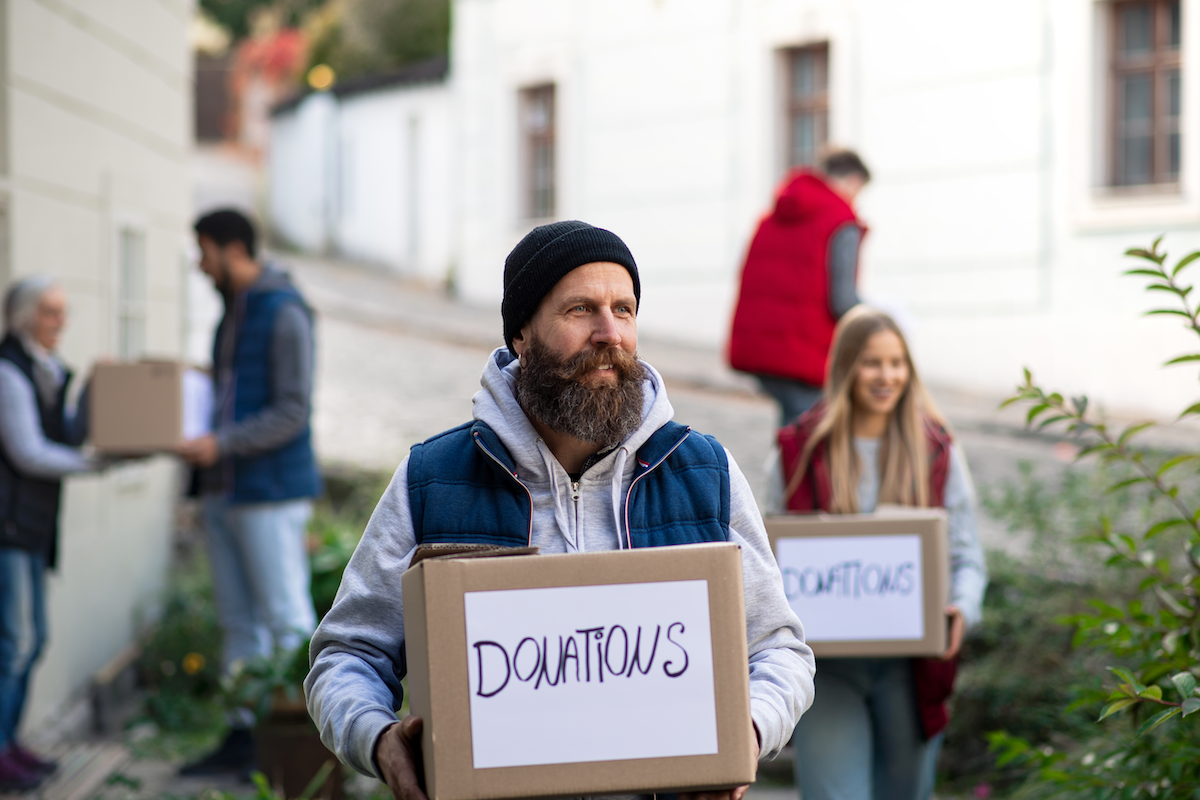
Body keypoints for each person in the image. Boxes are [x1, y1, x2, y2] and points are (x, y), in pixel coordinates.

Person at [306, 220, 815, 800]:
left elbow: (779, 651)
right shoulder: (433, 478)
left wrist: (748, 733)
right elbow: (347, 654)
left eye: (624, 310)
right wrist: (376, 738)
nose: (609, 333)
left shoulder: (704, 472)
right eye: (580, 310)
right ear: (522, 334)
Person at [770, 306, 987, 800]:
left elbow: (967, 556)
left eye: (897, 362)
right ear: (846, 366)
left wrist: (962, 609)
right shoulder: (798, 450)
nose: (887, 376)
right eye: (872, 362)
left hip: (911, 668)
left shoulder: (936, 449)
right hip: (828, 668)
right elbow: (768, 559)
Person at [177, 209, 321, 777]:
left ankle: (308, 748)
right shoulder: (231, 314)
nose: (199, 264)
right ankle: (244, 741)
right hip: (225, 491)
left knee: (286, 618)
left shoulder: (284, 311)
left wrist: (223, 443)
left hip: (269, 490)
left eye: (204, 251)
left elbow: (293, 410)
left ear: (233, 249)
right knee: (240, 624)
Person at [0, 276, 99, 791]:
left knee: (33, 640)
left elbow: (64, 432)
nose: (60, 322)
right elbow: (29, 452)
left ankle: (10, 743)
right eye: (49, 313)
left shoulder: (47, 369)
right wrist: (95, 465)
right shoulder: (8, 374)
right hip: (9, 527)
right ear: (23, 318)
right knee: (15, 643)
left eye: (63, 312)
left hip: (34, 526)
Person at [728, 149, 871, 426]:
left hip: (763, 347)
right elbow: (842, 300)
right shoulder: (841, 219)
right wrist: (875, 321)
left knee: (792, 431)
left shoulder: (775, 213)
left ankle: (780, 469)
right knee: (811, 435)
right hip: (804, 352)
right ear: (853, 180)